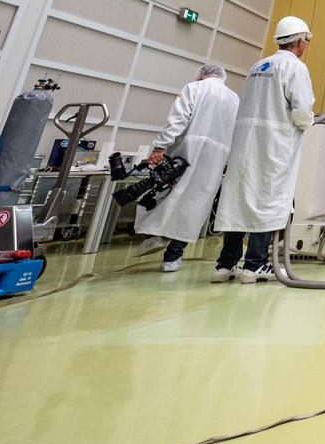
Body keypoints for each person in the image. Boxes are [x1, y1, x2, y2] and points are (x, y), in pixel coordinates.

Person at [213, 16, 315, 284]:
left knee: (239, 200)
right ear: (301, 42)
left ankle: (225, 265)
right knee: (267, 201)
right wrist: (307, 121)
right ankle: (255, 265)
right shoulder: (295, 68)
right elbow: (302, 110)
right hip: (274, 143)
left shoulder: (259, 65)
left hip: (246, 143)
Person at [135, 64, 239, 272]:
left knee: (164, 193)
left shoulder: (194, 88)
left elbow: (178, 119)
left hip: (185, 150)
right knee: (195, 203)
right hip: (215, 158)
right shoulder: (234, 98)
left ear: (201, 75)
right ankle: (172, 257)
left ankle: (156, 234)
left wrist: (160, 145)